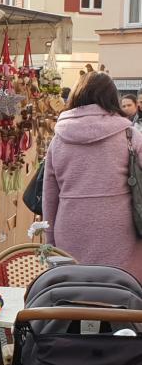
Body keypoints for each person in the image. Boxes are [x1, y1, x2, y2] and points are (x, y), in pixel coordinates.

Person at [44, 72, 142, 281]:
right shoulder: (130, 135)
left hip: (69, 229)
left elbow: (49, 197)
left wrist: (50, 241)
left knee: (73, 295)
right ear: (111, 97)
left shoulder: (59, 139)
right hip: (121, 232)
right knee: (122, 296)